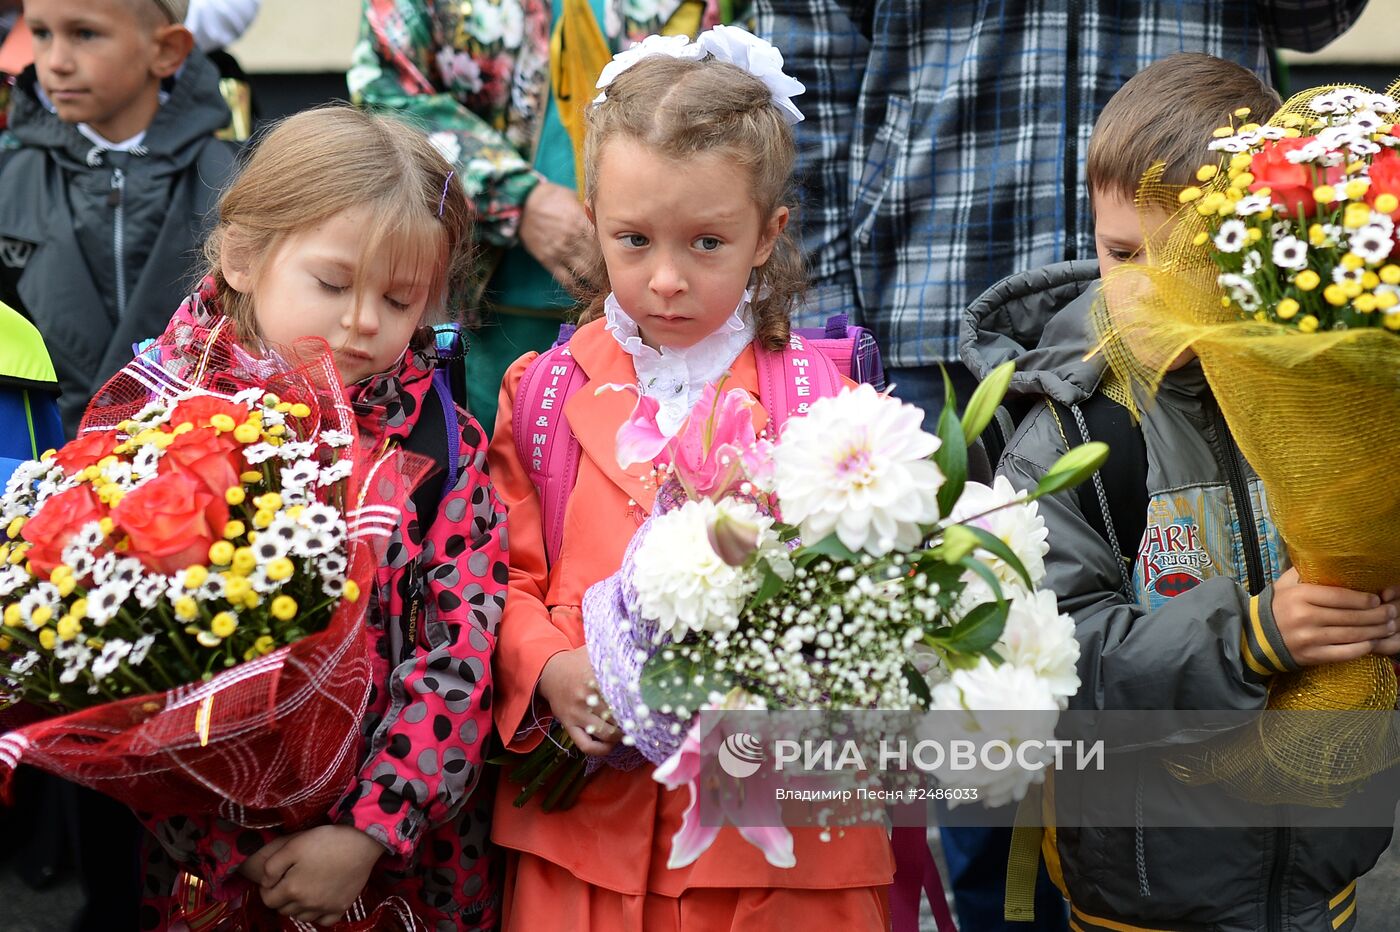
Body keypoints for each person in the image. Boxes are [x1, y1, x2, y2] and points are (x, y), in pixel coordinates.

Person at [962, 53, 1400, 931]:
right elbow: (1049, 664)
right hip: (1141, 897)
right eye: (1120, 252)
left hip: (1322, 887)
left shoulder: (1336, 407)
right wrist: (1251, 635)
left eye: (1185, 259)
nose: (1146, 291)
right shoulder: (1071, 436)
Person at [487, 28, 894, 930]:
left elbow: (876, 600)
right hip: (582, 844)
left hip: (777, 854)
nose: (665, 279)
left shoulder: (827, 399)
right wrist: (551, 667)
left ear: (768, 234)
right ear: (591, 218)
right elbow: (498, 572)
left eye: (707, 241)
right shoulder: (546, 392)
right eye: (633, 240)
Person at [138, 107, 508, 932]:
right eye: (333, 284)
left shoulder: (439, 443)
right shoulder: (164, 416)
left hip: (396, 864)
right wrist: (220, 841)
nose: (363, 321)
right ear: (242, 257)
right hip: (209, 857)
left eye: (400, 297)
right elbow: (128, 659)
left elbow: (460, 646)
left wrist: (371, 828)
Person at [348, 0, 739, 436]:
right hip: (482, 318)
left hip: (667, 315)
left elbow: (736, 94)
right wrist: (517, 196)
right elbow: (382, 92)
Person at [0, 0, 237, 437]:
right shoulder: (8, 181)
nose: (55, 62)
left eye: (85, 34)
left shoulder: (237, 183)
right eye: (41, 33)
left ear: (166, 51)